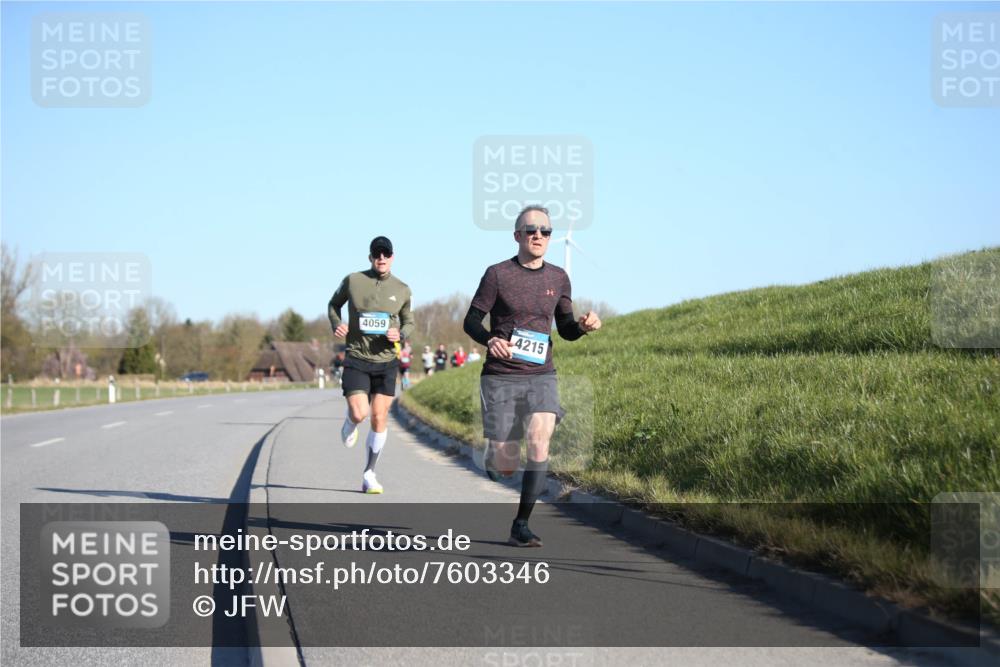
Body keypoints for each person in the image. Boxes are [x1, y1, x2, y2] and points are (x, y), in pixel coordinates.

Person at [464, 205, 601, 547]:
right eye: (531, 230)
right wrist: (490, 339)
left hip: (541, 374)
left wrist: (582, 328)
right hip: (501, 376)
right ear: (517, 236)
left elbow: (566, 329)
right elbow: (471, 321)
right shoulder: (497, 274)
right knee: (506, 465)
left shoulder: (558, 278)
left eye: (546, 231)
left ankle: (521, 524)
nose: (539, 235)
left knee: (539, 440)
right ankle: (496, 456)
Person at [328, 236, 414, 494]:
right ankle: (350, 421)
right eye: (377, 254)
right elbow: (334, 305)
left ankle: (369, 473)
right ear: (370, 257)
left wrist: (401, 334)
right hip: (356, 357)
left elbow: (409, 321)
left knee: (379, 416)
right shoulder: (353, 280)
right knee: (360, 413)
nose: (381, 258)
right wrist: (337, 324)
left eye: (386, 254)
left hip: (387, 361)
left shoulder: (402, 289)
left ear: (392, 257)